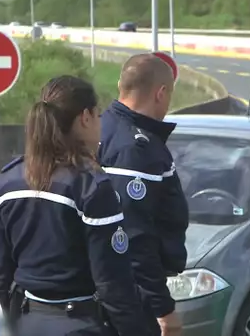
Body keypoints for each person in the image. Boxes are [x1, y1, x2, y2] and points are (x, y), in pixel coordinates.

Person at [0, 75, 150, 336]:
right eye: (98, 116)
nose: (100, 126)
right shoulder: (91, 187)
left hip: (29, 322)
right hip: (81, 324)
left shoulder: (5, 183)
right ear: (86, 117)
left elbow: (2, 276)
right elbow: (112, 283)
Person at [97, 53, 188, 336]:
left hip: (103, 290)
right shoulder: (136, 149)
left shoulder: (100, 128)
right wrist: (162, 307)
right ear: (161, 93)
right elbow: (134, 236)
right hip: (130, 297)